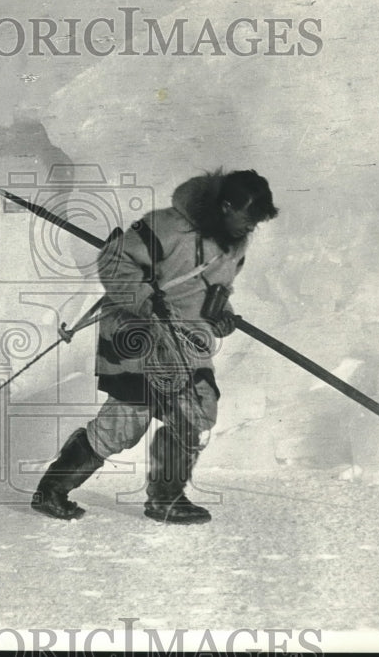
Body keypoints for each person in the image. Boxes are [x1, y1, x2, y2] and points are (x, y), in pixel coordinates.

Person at [31, 169, 279, 524]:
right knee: (124, 423)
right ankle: (52, 490)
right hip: (139, 334)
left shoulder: (235, 245)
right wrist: (146, 299)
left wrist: (222, 313)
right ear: (225, 206)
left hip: (187, 342)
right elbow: (113, 261)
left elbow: (213, 289)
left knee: (195, 411)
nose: (251, 228)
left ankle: (166, 498)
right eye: (247, 219)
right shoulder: (168, 227)